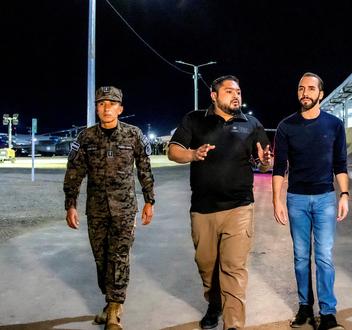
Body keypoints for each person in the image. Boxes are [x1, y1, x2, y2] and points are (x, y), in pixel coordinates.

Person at [168, 75, 272, 330]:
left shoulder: (252, 124)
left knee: (233, 268)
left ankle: (234, 323)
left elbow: (265, 160)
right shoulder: (194, 119)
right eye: (229, 91)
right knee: (207, 266)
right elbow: (173, 150)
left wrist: (266, 161)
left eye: (238, 91)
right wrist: (192, 153)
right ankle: (214, 304)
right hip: (203, 210)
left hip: (239, 207)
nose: (236, 95)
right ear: (214, 96)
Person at [63, 86, 155, 330]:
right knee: (101, 258)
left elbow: (145, 169)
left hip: (125, 208)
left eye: (111, 104)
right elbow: (74, 173)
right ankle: (110, 300)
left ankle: (115, 308)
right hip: (96, 209)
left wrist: (149, 200)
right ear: (97, 108)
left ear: (120, 109)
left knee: (119, 255)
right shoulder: (85, 137)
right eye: (102, 103)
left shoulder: (134, 135)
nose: (106, 108)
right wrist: (70, 204)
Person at [272, 72, 348, 330]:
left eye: (311, 88)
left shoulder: (334, 125)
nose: (305, 92)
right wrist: (277, 200)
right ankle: (305, 307)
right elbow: (279, 167)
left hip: (326, 198)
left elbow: (340, 164)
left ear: (320, 94)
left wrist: (344, 195)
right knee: (301, 257)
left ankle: (328, 313)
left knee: (324, 257)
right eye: (301, 88)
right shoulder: (286, 126)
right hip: (296, 200)